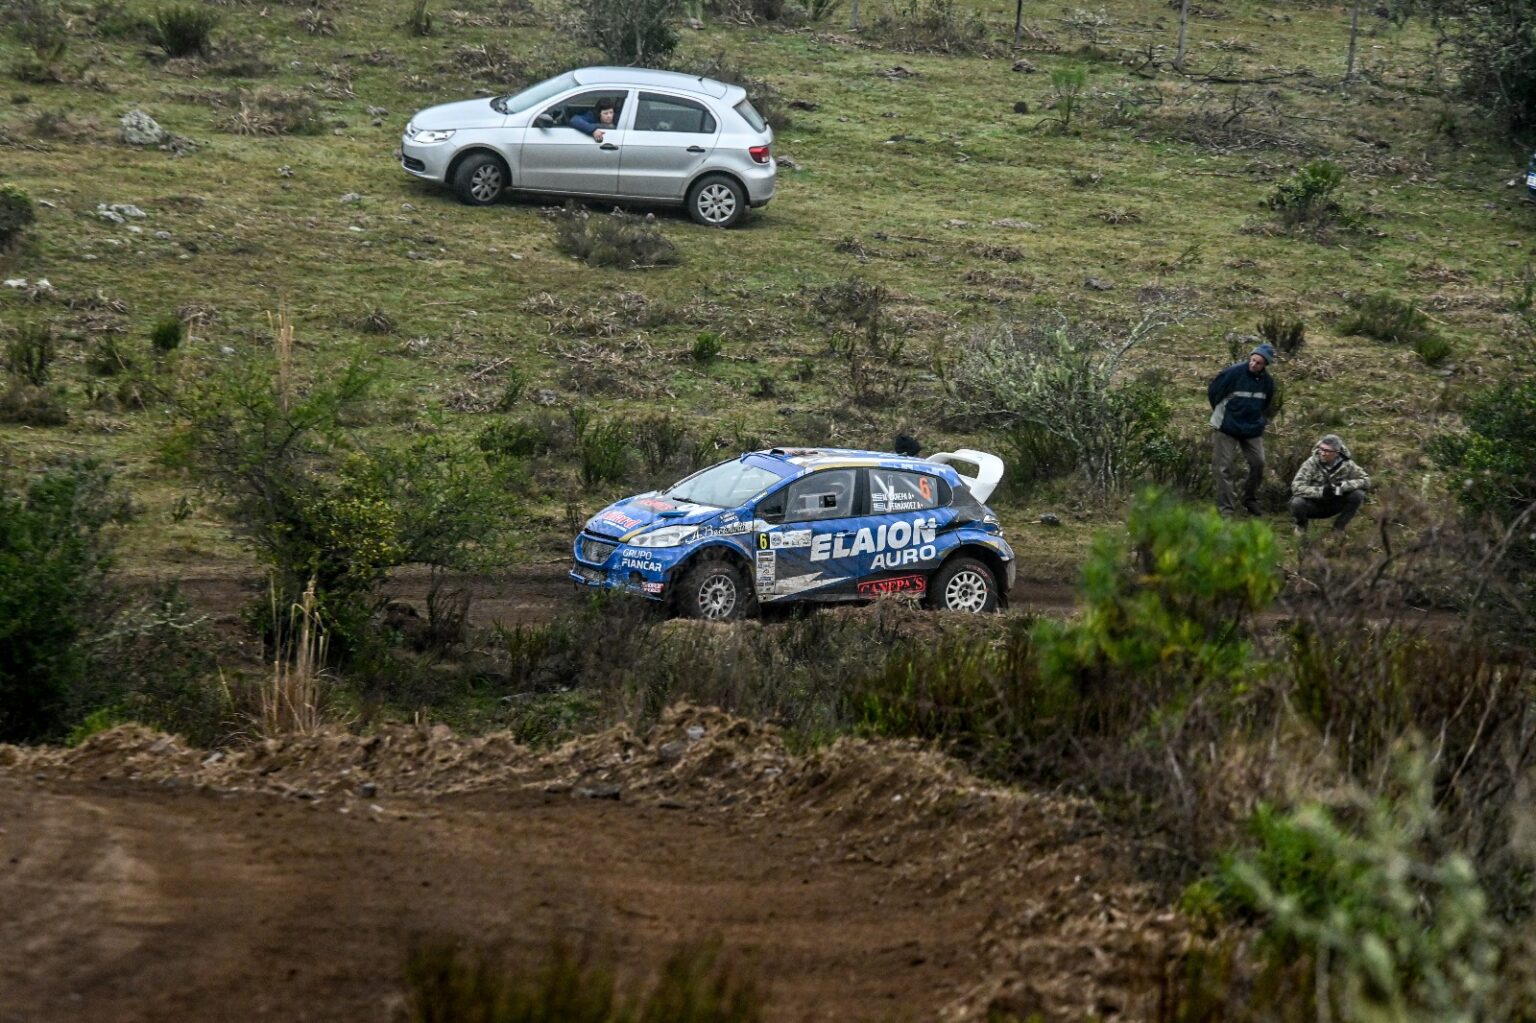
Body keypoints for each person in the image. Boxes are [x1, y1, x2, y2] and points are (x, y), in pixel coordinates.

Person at [1208, 342, 1277, 518]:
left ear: (1265, 365)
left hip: (1251, 427)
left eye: (1258, 363)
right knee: (1225, 468)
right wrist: (1223, 413)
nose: (1253, 364)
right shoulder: (1232, 373)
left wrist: (1259, 420)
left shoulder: (1268, 383)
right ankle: (1227, 510)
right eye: (1252, 360)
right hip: (1227, 426)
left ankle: (1249, 498)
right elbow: (1213, 392)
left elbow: (1266, 404)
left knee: (1258, 462)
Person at [1289, 434, 1370, 536]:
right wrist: (1321, 491)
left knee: (1358, 495)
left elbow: (1366, 480)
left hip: (1335, 504)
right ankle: (1301, 527)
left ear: (1336, 453)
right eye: (1321, 449)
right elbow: (1296, 487)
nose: (1322, 453)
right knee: (1297, 502)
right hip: (1314, 505)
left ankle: (1338, 528)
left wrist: (1343, 486)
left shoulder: (1347, 464)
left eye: (1327, 451)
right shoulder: (1310, 463)